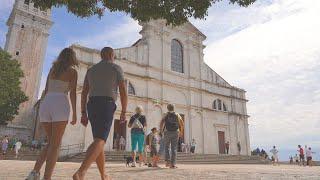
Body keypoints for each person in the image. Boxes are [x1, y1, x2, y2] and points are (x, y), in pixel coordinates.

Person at [73, 47, 127, 180]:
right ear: (110, 54)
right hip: (106, 104)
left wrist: (83, 112)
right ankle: (81, 172)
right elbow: (123, 91)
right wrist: (124, 111)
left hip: (92, 105)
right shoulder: (116, 68)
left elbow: (84, 92)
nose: (114, 57)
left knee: (98, 139)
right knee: (100, 140)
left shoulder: (91, 70)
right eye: (114, 55)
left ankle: (104, 175)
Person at [26, 48, 78, 180]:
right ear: (72, 58)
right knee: (55, 145)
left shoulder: (52, 70)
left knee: (50, 143)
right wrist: (75, 113)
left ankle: (34, 173)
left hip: (46, 103)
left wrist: (43, 104)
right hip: (60, 102)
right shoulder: (73, 72)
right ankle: (46, 177)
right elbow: (72, 93)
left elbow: (46, 89)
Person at [160, 104, 184, 169]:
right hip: (176, 132)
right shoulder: (177, 114)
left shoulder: (165, 114)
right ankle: (172, 164)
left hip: (167, 132)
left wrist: (161, 130)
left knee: (166, 147)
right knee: (174, 148)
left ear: (167, 108)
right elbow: (181, 123)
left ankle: (167, 162)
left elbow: (161, 122)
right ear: (173, 108)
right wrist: (181, 132)